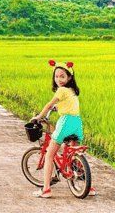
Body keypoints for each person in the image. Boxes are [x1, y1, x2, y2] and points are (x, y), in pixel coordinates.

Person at [31, 60, 95, 198]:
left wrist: (38, 117)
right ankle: (88, 187)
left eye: (62, 76)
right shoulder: (72, 91)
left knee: (49, 154)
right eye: (56, 76)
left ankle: (46, 189)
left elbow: (49, 105)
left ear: (69, 77)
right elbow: (68, 106)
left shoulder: (61, 90)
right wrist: (58, 108)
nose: (58, 79)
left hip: (65, 122)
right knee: (74, 156)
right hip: (77, 124)